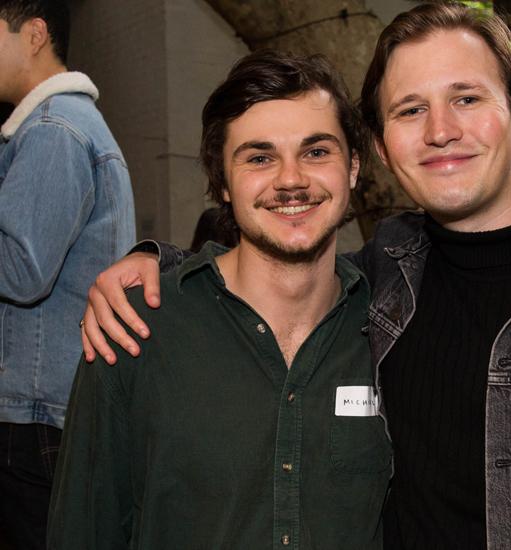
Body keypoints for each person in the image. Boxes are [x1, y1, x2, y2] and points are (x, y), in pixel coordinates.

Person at [79, 2, 511, 548]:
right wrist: (156, 264)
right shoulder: (383, 275)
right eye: (409, 109)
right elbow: (276, 262)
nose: (440, 130)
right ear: (381, 146)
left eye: (465, 98)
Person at [47, 50, 391, 549]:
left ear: (354, 167)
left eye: (317, 152)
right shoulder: (135, 329)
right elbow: (83, 529)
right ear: (222, 181)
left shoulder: (394, 326)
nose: (291, 179)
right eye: (259, 157)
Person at [0, 1, 135, 547]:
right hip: (51, 409)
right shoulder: (59, 126)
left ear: (34, 34)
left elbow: (22, 267)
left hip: (34, 415)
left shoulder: (55, 129)